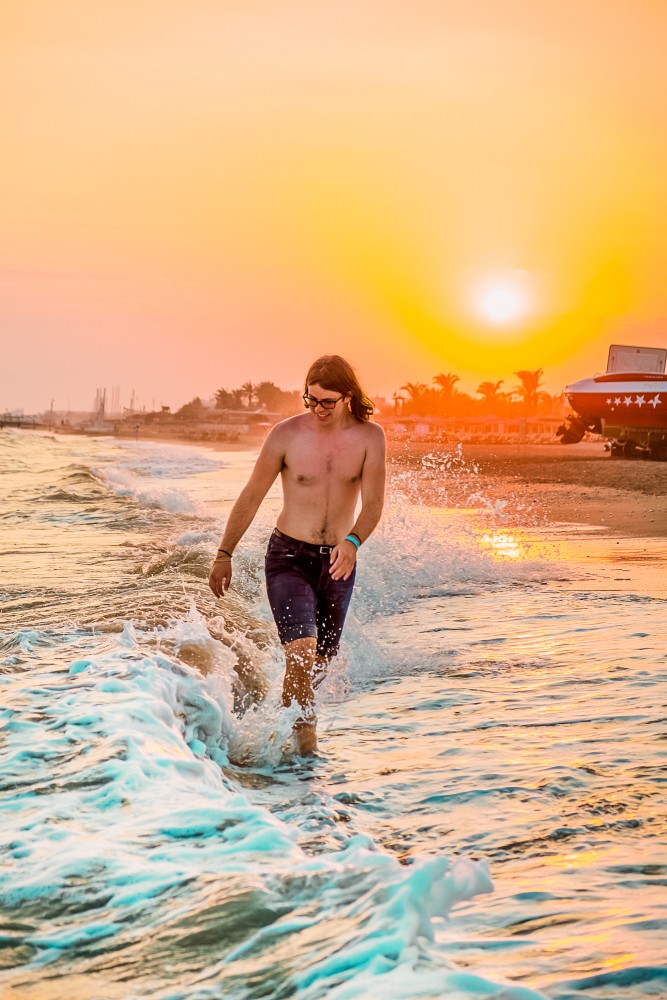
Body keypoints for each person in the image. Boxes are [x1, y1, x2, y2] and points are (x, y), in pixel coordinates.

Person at [209, 355, 386, 755]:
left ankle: (276, 734)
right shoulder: (286, 435)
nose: (317, 409)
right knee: (302, 654)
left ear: (348, 397)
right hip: (288, 557)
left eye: (327, 401)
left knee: (316, 665)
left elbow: (373, 505)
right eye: (311, 399)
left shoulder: (370, 437)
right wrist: (225, 553)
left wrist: (353, 542)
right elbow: (251, 496)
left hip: (340, 564)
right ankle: (305, 757)